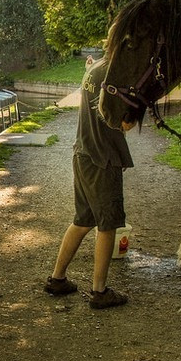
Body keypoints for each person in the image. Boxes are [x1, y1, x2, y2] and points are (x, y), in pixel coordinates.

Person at [45, 56, 134, 309]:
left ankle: (57, 278)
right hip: (102, 159)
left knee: (82, 220)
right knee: (107, 225)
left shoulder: (95, 68)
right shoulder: (116, 76)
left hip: (82, 153)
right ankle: (99, 291)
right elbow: (124, 123)